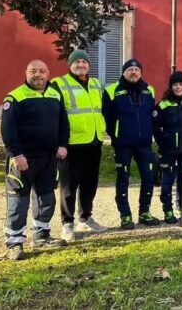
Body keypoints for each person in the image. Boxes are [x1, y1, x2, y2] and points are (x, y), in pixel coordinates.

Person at [1, 60, 69, 260]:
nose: (38, 75)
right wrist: (16, 154)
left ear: (48, 73)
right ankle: (14, 242)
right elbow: (8, 129)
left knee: (46, 196)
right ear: (26, 72)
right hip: (24, 158)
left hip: (49, 157)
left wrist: (63, 144)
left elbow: (63, 122)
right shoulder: (15, 96)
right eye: (33, 71)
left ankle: (42, 235)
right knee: (18, 199)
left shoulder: (55, 94)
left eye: (41, 71)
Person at [51, 49, 108, 242]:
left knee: (90, 182)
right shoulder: (59, 84)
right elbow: (55, 116)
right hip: (71, 144)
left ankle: (85, 217)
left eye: (84, 62)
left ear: (89, 65)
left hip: (93, 141)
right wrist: (60, 143)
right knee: (68, 185)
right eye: (77, 62)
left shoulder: (95, 84)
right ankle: (67, 223)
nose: (81, 65)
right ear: (70, 65)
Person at [102, 58, 160, 229]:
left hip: (144, 144)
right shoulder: (111, 91)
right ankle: (125, 215)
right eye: (130, 69)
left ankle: (144, 213)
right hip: (123, 145)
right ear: (124, 72)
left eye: (137, 70)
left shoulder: (149, 90)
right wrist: (116, 137)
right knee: (123, 180)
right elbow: (107, 118)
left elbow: (151, 115)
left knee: (149, 178)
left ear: (140, 73)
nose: (133, 72)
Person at [154, 71, 182, 224]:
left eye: (180, 84)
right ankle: (167, 210)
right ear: (171, 87)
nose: (177, 87)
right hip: (168, 150)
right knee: (167, 181)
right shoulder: (163, 104)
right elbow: (155, 126)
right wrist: (163, 142)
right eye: (174, 85)